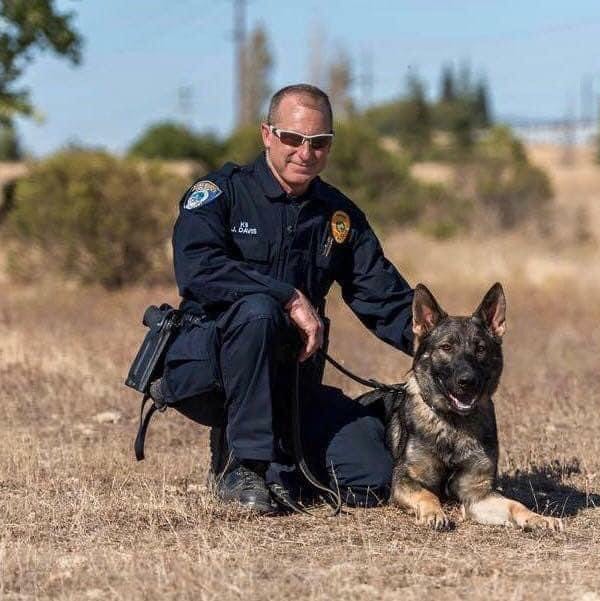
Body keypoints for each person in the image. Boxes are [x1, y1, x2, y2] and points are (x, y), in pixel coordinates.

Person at [157, 83, 414, 514]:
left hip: (294, 383)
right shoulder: (220, 194)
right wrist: (288, 296)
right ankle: (241, 464)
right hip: (215, 375)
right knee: (260, 310)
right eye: (293, 138)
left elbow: (383, 297)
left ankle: (282, 466)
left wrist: (449, 346)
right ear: (267, 135)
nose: (305, 153)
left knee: (373, 480)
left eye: (320, 142)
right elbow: (197, 270)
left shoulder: (338, 216)